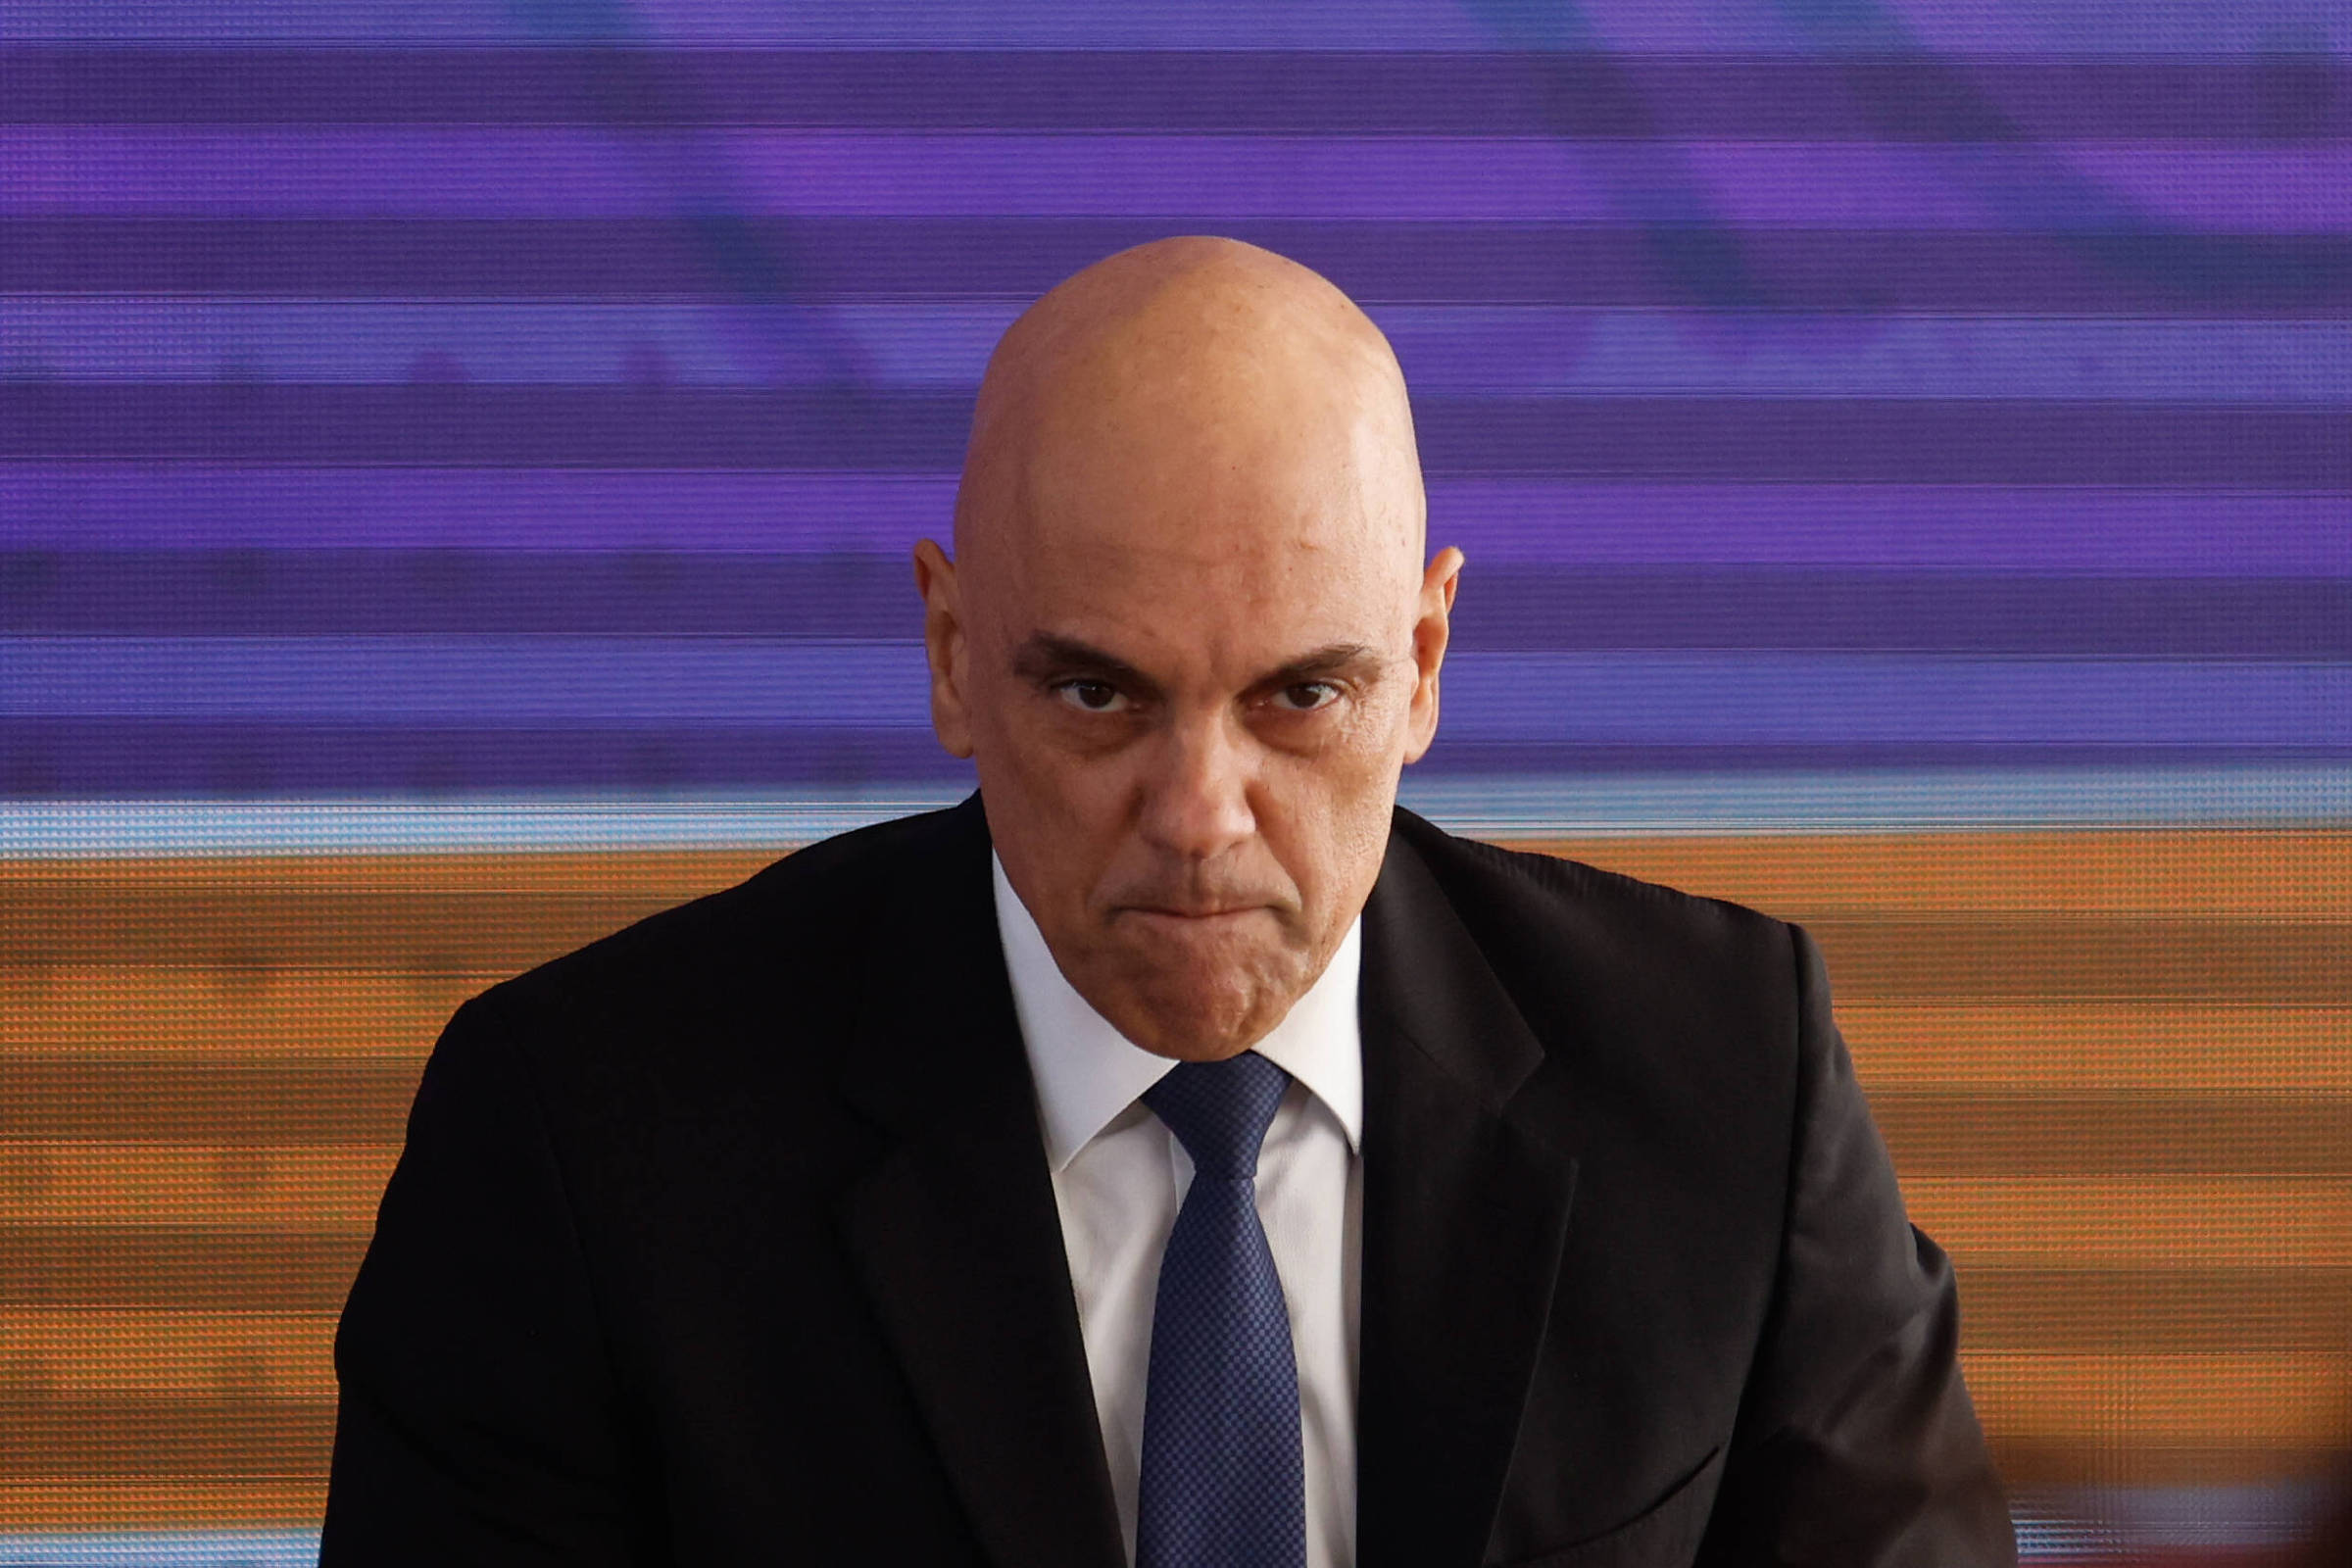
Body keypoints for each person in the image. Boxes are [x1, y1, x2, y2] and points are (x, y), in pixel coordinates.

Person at [321, 236, 2014, 1566]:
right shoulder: (580, 1138)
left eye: (1302, 697)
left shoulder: (1729, 1079)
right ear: (951, 656)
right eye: (1097, 695)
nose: (1202, 819)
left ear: (1424, 665)